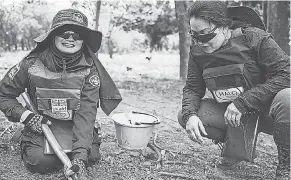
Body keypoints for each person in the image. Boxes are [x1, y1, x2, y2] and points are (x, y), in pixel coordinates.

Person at [0, 9, 122, 179]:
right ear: (53, 35)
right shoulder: (31, 64)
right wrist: (26, 116)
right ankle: (24, 136)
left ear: (83, 40)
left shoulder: (90, 71)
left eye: (77, 34)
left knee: (90, 157)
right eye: (65, 33)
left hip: (75, 125)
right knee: (40, 163)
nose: (70, 38)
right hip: (41, 125)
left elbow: (86, 115)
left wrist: (80, 159)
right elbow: (3, 94)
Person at [177, 1, 290, 179]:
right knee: (185, 114)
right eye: (195, 35)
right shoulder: (197, 51)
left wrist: (244, 101)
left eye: (205, 35)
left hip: (268, 111)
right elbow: (192, 88)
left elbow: (287, 74)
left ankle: (287, 164)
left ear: (223, 26)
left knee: (288, 98)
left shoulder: (255, 38)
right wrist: (190, 115)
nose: (200, 42)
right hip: (232, 115)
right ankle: (234, 148)